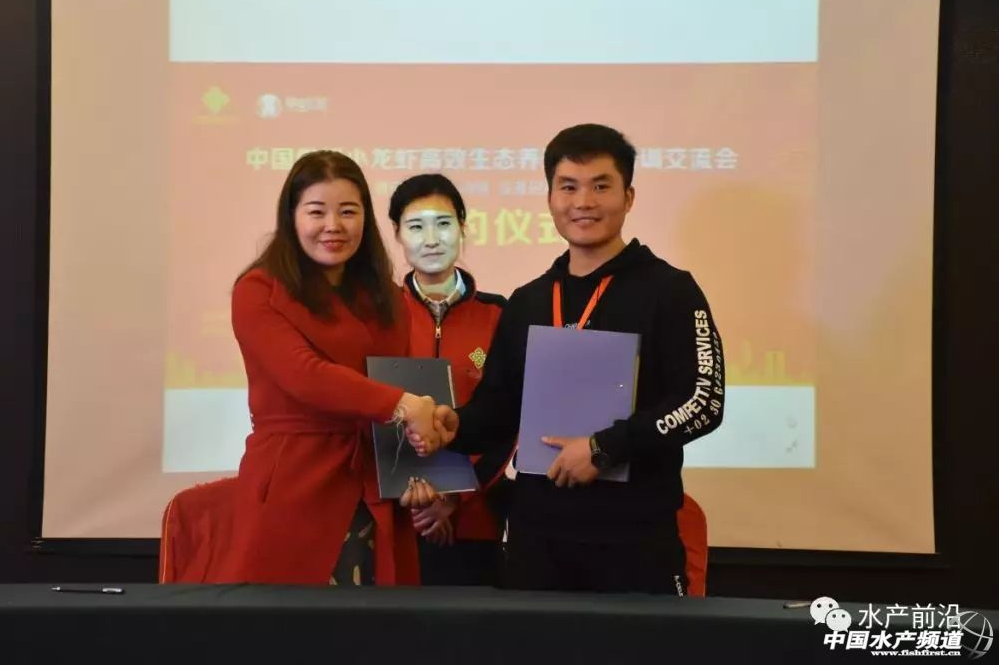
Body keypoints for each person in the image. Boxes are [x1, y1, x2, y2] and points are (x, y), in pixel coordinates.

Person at [422, 124, 726, 593]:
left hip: (634, 540)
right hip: (537, 540)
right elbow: (500, 408)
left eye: (601, 186)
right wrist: (455, 426)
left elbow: (703, 401)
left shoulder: (670, 291)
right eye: (568, 187)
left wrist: (605, 448)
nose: (583, 201)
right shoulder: (528, 301)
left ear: (628, 197)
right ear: (550, 199)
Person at [219, 150, 451, 586]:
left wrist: (430, 436)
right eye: (316, 211)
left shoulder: (385, 295)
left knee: (375, 618)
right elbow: (304, 374)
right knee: (294, 615)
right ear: (291, 217)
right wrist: (405, 405)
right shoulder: (259, 290)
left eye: (348, 211)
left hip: (374, 481)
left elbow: (397, 381)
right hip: (295, 478)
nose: (333, 225)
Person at [388, 174, 513, 586]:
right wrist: (414, 497)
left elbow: (510, 419)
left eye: (443, 224)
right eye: (415, 226)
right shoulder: (379, 314)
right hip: (397, 516)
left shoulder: (500, 315)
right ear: (397, 233)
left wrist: (456, 497)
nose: (431, 239)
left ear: (462, 227)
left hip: (476, 518)